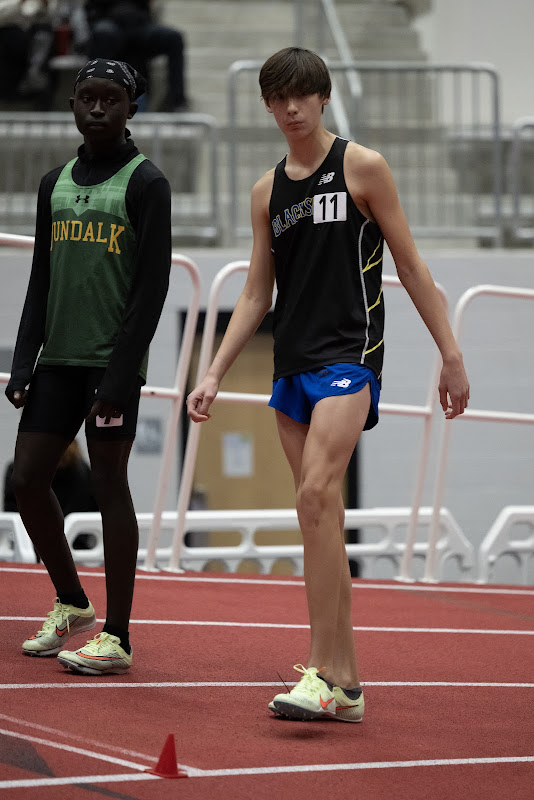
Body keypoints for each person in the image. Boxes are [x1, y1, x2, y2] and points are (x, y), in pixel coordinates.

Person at [187, 47, 470, 722]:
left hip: (350, 355)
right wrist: (214, 371)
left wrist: (451, 354)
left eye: (302, 96)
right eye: (279, 98)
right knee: (319, 516)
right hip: (291, 365)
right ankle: (346, 685)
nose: (292, 108)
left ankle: (318, 671)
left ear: (323, 98)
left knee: (315, 494)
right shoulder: (266, 192)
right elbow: (256, 293)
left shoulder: (362, 167)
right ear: (267, 106)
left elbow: (411, 265)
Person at [5, 58, 172, 675]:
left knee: (108, 486)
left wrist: (121, 376)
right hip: (57, 361)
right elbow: (40, 278)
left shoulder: (146, 182)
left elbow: (151, 289)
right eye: (87, 98)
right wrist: (24, 360)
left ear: (132, 108)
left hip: (110, 368)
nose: (97, 108)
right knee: (27, 479)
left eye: (110, 99)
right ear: (73, 105)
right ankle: (72, 601)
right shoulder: (53, 183)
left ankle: (118, 635)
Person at [84, 0, 188, 111]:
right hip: (110, 21)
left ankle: (177, 102)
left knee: (174, 38)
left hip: (138, 23)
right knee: (102, 34)